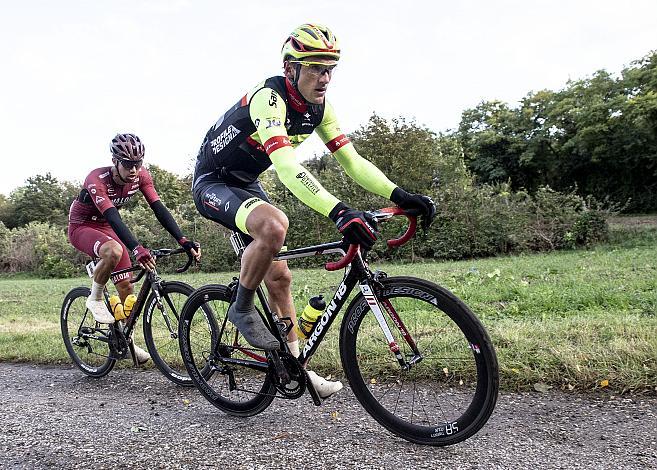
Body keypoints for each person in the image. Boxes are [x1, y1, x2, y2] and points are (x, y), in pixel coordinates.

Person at [191, 24, 435, 397]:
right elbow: (288, 167)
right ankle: (241, 308)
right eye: (315, 68)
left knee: (280, 278)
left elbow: (352, 162)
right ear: (291, 69)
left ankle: (297, 367)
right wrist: (339, 212)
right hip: (213, 182)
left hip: (246, 182)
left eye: (330, 68)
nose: (325, 78)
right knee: (274, 227)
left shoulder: (320, 109)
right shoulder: (268, 98)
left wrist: (400, 194)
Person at [68, 133, 201, 364]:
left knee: (126, 288)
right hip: (82, 225)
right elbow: (111, 214)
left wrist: (183, 240)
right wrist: (137, 248)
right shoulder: (96, 179)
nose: (133, 169)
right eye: (128, 164)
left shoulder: (142, 177)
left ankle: (126, 342)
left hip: (107, 227)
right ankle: (95, 297)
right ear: (115, 161)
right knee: (114, 251)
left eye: (138, 163)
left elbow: (158, 209)